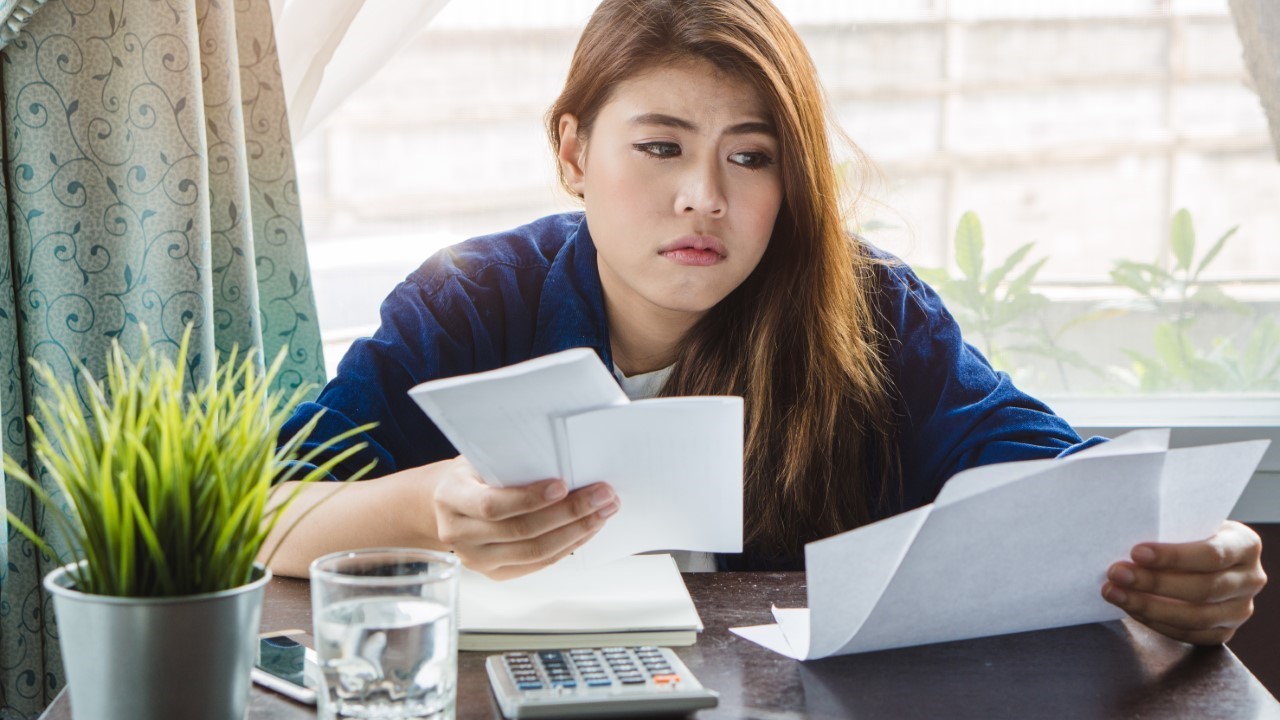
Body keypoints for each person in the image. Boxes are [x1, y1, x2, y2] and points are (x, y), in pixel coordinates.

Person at [264, 0, 1265, 646]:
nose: (703, 197)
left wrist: (1188, 544)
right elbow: (268, 513)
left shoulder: (868, 310)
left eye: (750, 158)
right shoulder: (471, 299)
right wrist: (431, 503)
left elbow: (1046, 471)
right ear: (572, 152)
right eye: (659, 146)